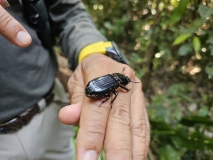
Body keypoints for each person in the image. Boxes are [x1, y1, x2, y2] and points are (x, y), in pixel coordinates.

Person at [0, 0, 150, 160]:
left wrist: (94, 54)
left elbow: (68, 11)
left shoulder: (115, 80)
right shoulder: (116, 85)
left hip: (53, 112)